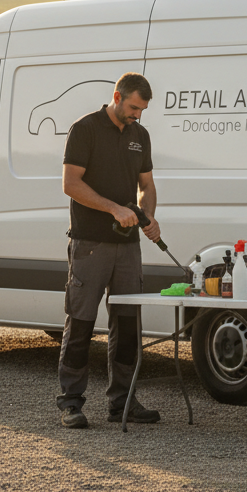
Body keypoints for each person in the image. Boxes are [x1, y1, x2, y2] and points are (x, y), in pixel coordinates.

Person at [56, 72, 163, 429]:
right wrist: (114, 209)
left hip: (128, 247)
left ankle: (123, 402)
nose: (138, 115)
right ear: (117, 97)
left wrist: (148, 214)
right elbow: (71, 184)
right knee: (81, 322)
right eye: (133, 107)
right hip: (90, 244)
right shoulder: (84, 129)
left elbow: (147, 185)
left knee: (128, 326)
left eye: (142, 109)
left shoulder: (139, 136)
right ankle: (71, 403)